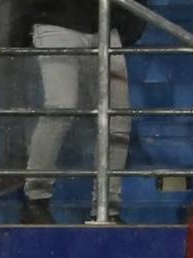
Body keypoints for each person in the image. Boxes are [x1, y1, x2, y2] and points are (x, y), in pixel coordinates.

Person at [18, 0, 147, 224]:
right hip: (56, 21)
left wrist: (127, 26)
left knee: (116, 117)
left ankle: (107, 208)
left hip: (107, 26)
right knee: (60, 108)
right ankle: (36, 201)